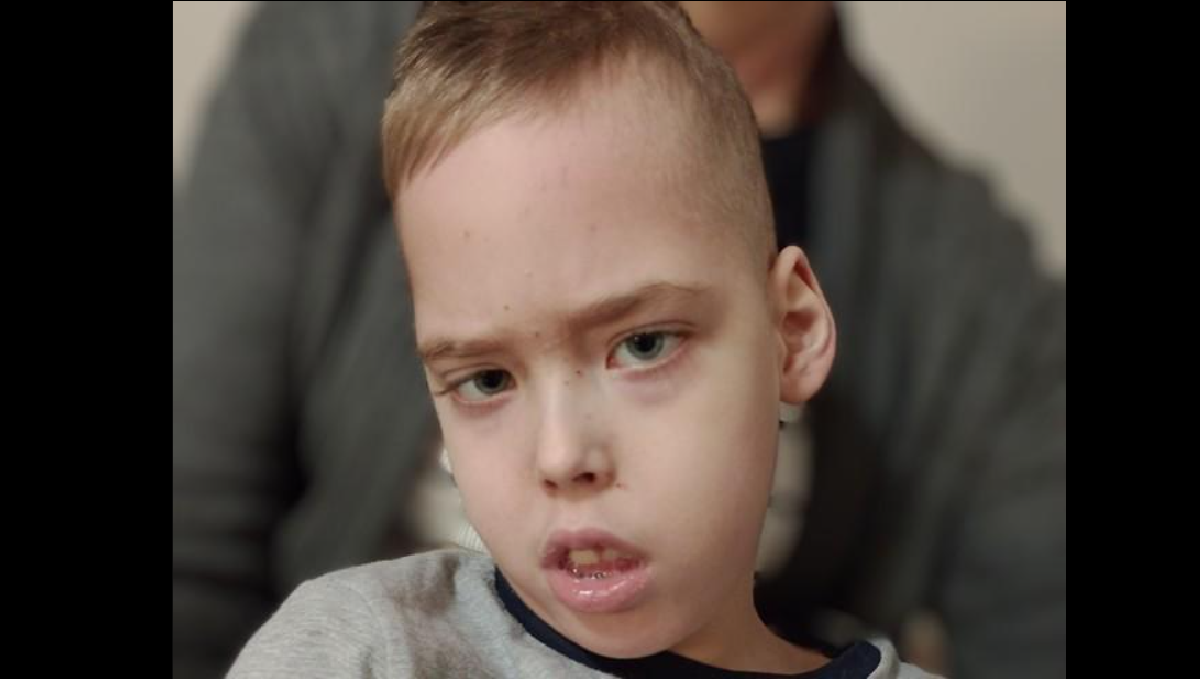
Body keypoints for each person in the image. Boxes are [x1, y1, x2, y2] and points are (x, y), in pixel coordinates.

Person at [173, 2, 1065, 678]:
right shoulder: (362, 646)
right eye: (485, 378)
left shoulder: (970, 279)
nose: (563, 456)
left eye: (644, 346)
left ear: (795, 331)